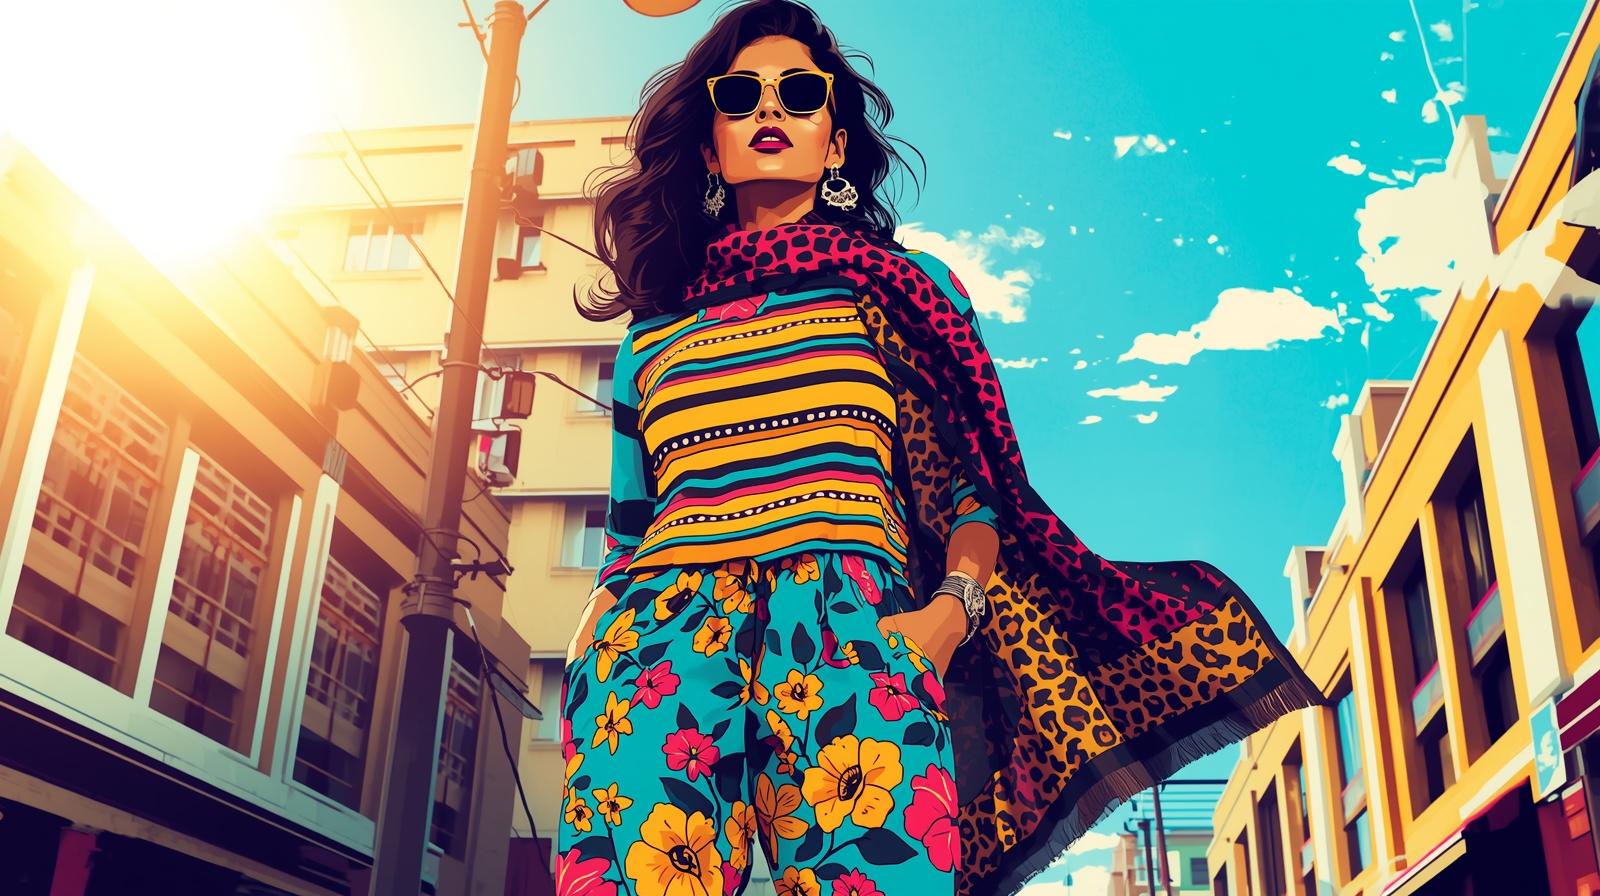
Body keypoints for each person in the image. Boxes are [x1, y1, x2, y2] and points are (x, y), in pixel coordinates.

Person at [559, 3, 1320, 896]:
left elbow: (975, 496)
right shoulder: (652, 341)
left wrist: (945, 621)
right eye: (742, 95)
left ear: (835, 144)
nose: (772, 109)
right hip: (656, 645)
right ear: (708, 146)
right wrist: (591, 655)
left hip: (847, 629)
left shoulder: (904, 294)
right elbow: (626, 533)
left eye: (801, 94)